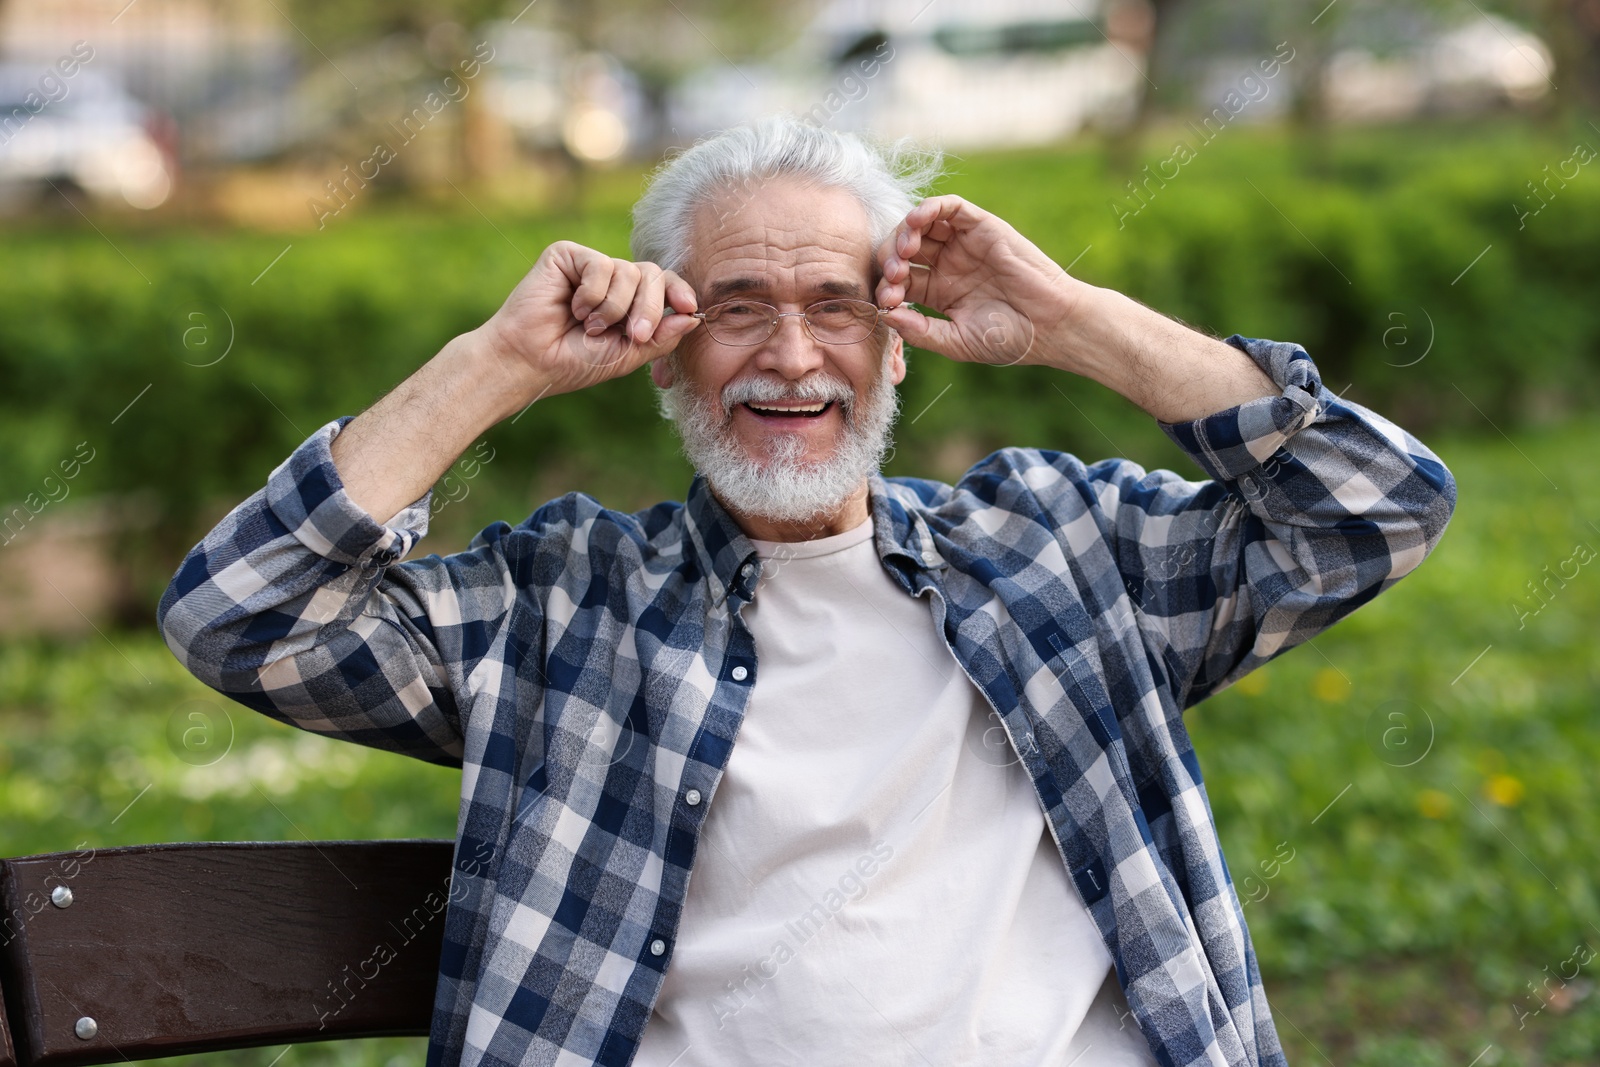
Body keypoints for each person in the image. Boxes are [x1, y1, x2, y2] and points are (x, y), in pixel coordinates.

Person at [157, 116, 1456, 1067]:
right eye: (738, 308)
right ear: (664, 353)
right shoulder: (564, 607)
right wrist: (496, 365)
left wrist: (1070, 319)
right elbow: (243, 616)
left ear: (897, 340)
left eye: (837, 305)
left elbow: (1374, 506)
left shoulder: (1061, 551)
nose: (791, 357)